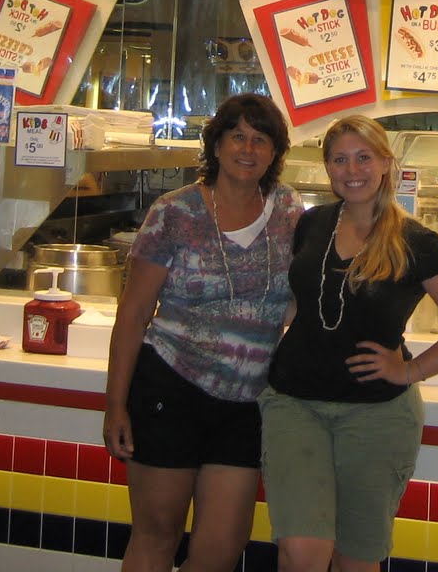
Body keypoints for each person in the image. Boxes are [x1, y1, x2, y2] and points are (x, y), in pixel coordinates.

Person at [261, 115, 438, 572]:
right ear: (327, 167)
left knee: (357, 559)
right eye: (340, 160)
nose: (352, 170)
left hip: (376, 415)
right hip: (295, 404)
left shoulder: (416, 241)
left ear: (386, 162)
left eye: (364, 157)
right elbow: (303, 302)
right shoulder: (311, 224)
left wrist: (410, 370)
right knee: (302, 552)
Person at [103, 93, 301, 572]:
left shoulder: (289, 210)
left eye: (261, 140)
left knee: (221, 550)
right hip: (169, 388)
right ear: (216, 144)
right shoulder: (175, 212)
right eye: (237, 137)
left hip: (247, 403)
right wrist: (115, 405)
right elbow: (134, 312)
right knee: (157, 536)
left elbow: (300, 298)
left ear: (275, 152)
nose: (247, 149)